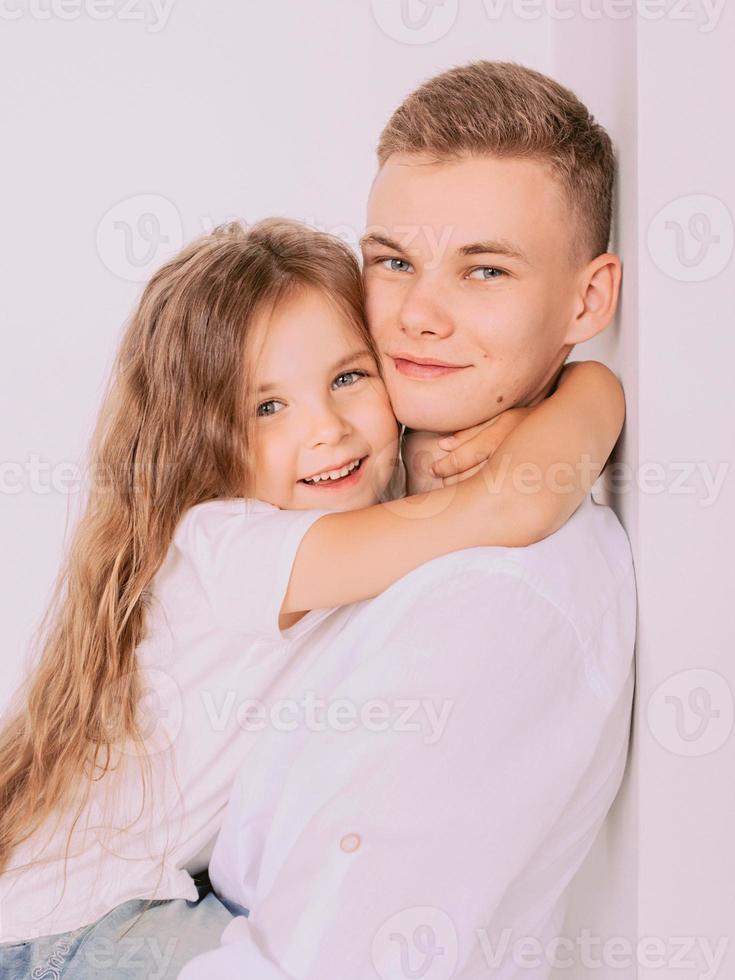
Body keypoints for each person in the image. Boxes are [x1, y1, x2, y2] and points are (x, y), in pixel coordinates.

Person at [0, 211, 621, 978]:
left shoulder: (341, 510)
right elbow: (505, 507)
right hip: (74, 933)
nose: (325, 428)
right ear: (202, 438)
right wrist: (597, 387)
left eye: (346, 378)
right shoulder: (227, 545)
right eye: (267, 408)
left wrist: (513, 423)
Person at [177, 62, 636, 979]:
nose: (417, 317)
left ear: (586, 301)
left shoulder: (494, 606)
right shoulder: (356, 476)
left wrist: (591, 393)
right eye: (393, 262)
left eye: (485, 271)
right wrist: (587, 391)